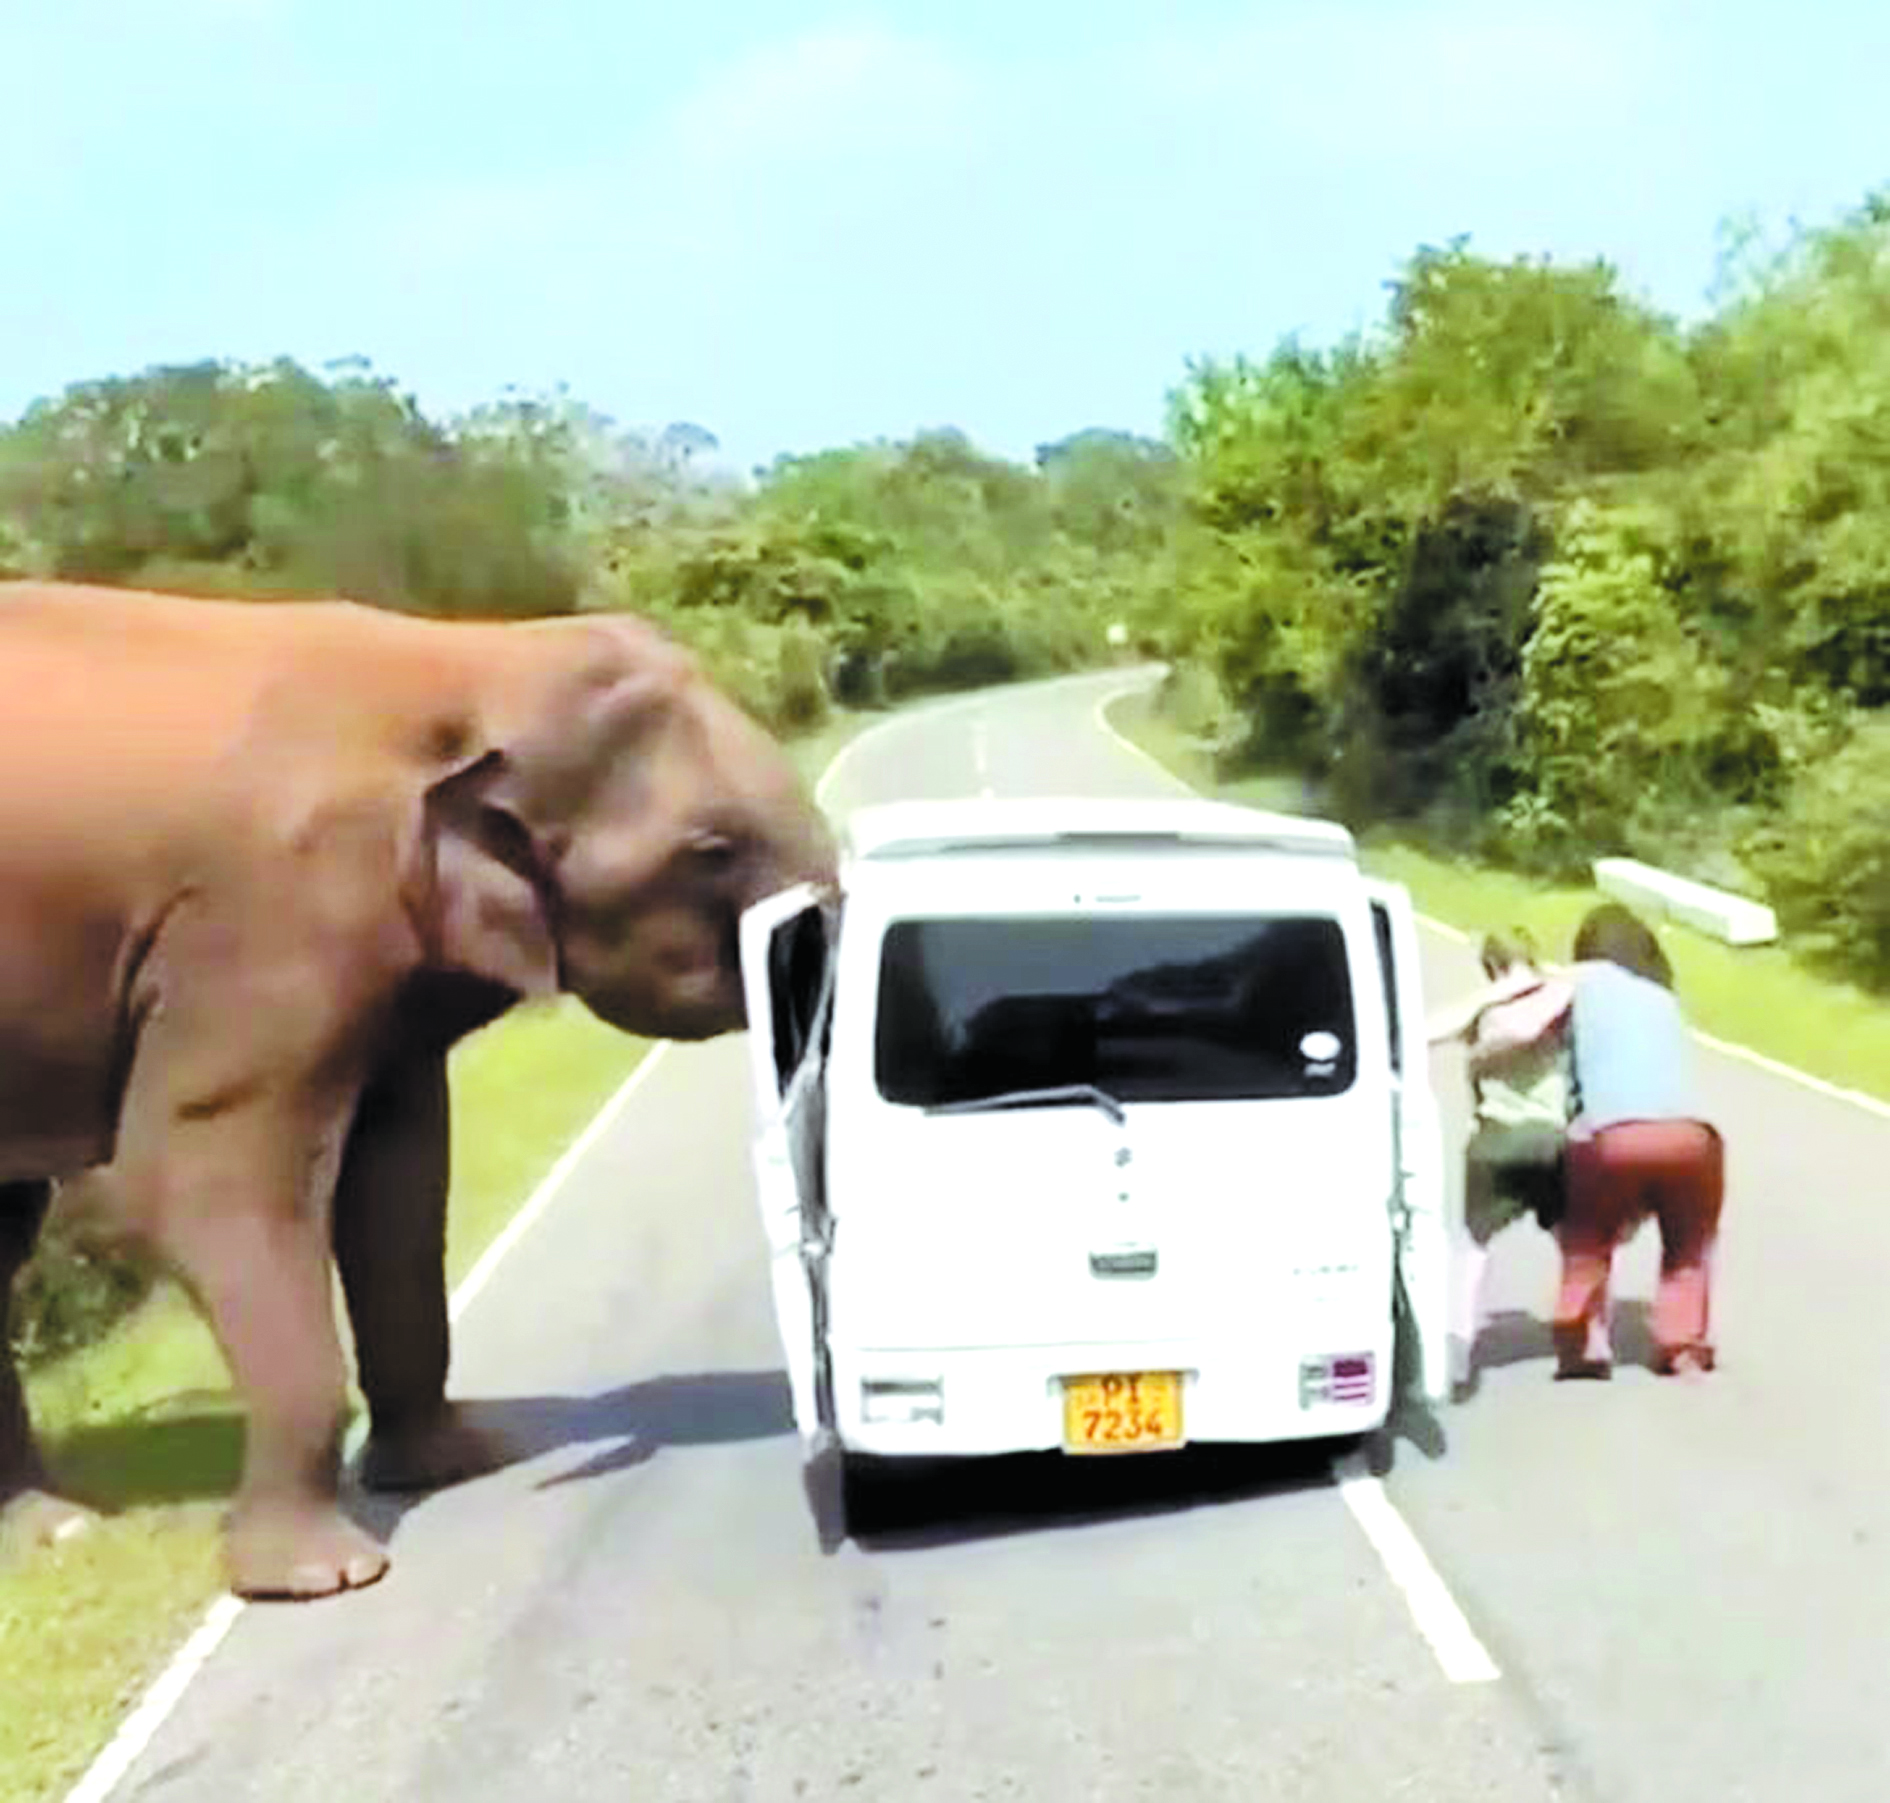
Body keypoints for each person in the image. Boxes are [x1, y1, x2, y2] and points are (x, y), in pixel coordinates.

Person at [1551, 903, 1722, 1380]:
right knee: (1687, 1244)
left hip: (1613, 1134)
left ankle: (1580, 1333)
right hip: (1690, 1136)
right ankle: (1682, 1345)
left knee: (1589, 1234)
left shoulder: (1576, 986)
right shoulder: (1663, 997)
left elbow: (1565, 1075)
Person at [1427, 927, 1573, 1392]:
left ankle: (1458, 1349)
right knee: (1574, 1240)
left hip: (1495, 1139)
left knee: (1472, 1247)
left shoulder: (1484, 1012)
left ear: (1490, 965)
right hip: (1551, 1137)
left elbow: (1423, 1032)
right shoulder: (1560, 995)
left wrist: (1488, 998)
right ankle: (1583, 1333)